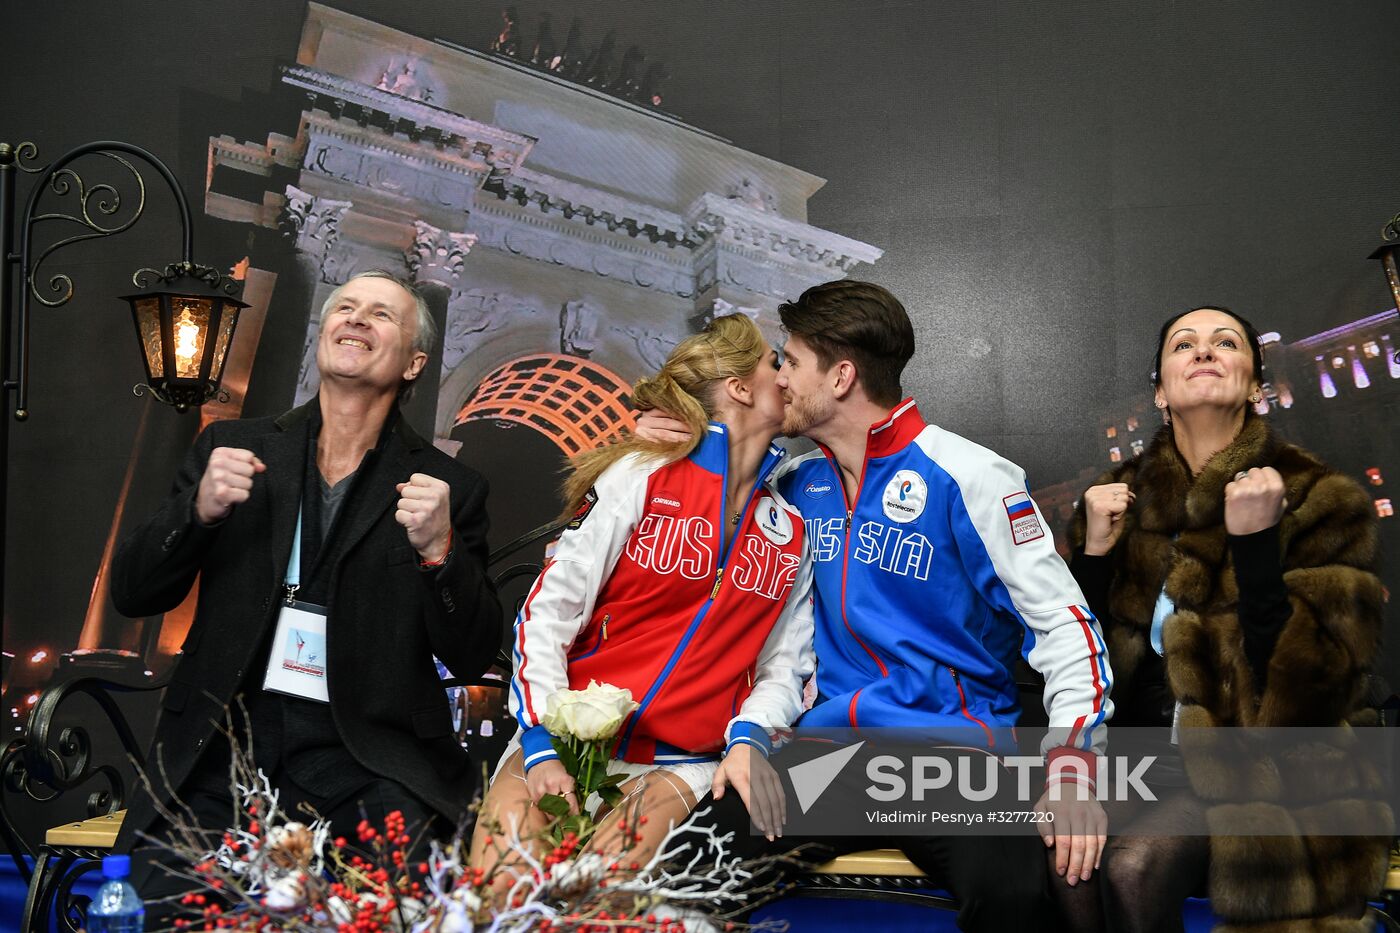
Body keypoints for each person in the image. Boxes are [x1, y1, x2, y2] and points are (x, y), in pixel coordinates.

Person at [640, 281, 1113, 932]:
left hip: (957, 762)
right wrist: (671, 454)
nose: (778, 376)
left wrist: (1071, 767)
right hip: (831, 758)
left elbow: (1068, 632)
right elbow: (703, 564)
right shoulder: (795, 482)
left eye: (790, 360)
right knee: (688, 862)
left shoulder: (973, 477)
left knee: (1011, 895)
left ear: (840, 376)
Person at [112, 271, 501, 901]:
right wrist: (197, 513)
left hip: (367, 748)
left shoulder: (447, 486)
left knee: (395, 903)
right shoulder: (231, 448)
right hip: (226, 737)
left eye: (380, 315)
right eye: (344, 308)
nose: (355, 319)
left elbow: (472, 650)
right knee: (171, 907)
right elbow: (133, 593)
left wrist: (440, 552)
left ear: (414, 363)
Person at [1056, 306, 1387, 932]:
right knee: (1061, 856)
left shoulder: (1321, 497)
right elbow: (1080, 660)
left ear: (1256, 385)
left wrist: (1256, 547)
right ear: (1159, 391)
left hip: (1271, 760)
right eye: (1184, 344)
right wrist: (1094, 558)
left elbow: (1316, 686)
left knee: (1132, 868)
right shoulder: (1115, 500)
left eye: (1225, 342)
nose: (1204, 352)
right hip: (1142, 761)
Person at [469, 312, 814, 884]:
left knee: (595, 891)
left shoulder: (793, 527)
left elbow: (784, 667)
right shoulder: (642, 474)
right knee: (501, 885)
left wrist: (750, 736)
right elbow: (547, 614)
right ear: (739, 387)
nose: (784, 377)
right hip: (566, 740)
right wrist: (539, 742)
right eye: (775, 363)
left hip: (683, 763)